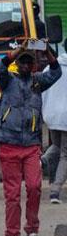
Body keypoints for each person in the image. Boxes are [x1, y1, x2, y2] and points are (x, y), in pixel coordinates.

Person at [0, 42, 61, 236]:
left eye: (28, 62)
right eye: (21, 61)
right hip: (8, 143)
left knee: (34, 188)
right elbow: (0, 67)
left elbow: (57, 72)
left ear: (33, 65)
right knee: (12, 194)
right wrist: (19, 50)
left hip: (31, 145)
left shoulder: (37, 82)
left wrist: (47, 51)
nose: (25, 65)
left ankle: (32, 232)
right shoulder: (7, 81)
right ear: (17, 64)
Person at [43, 50, 67, 203]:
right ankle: (55, 191)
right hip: (65, 118)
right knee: (65, 154)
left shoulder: (50, 67)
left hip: (51, 116)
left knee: (57, 145)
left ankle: (41, 161)